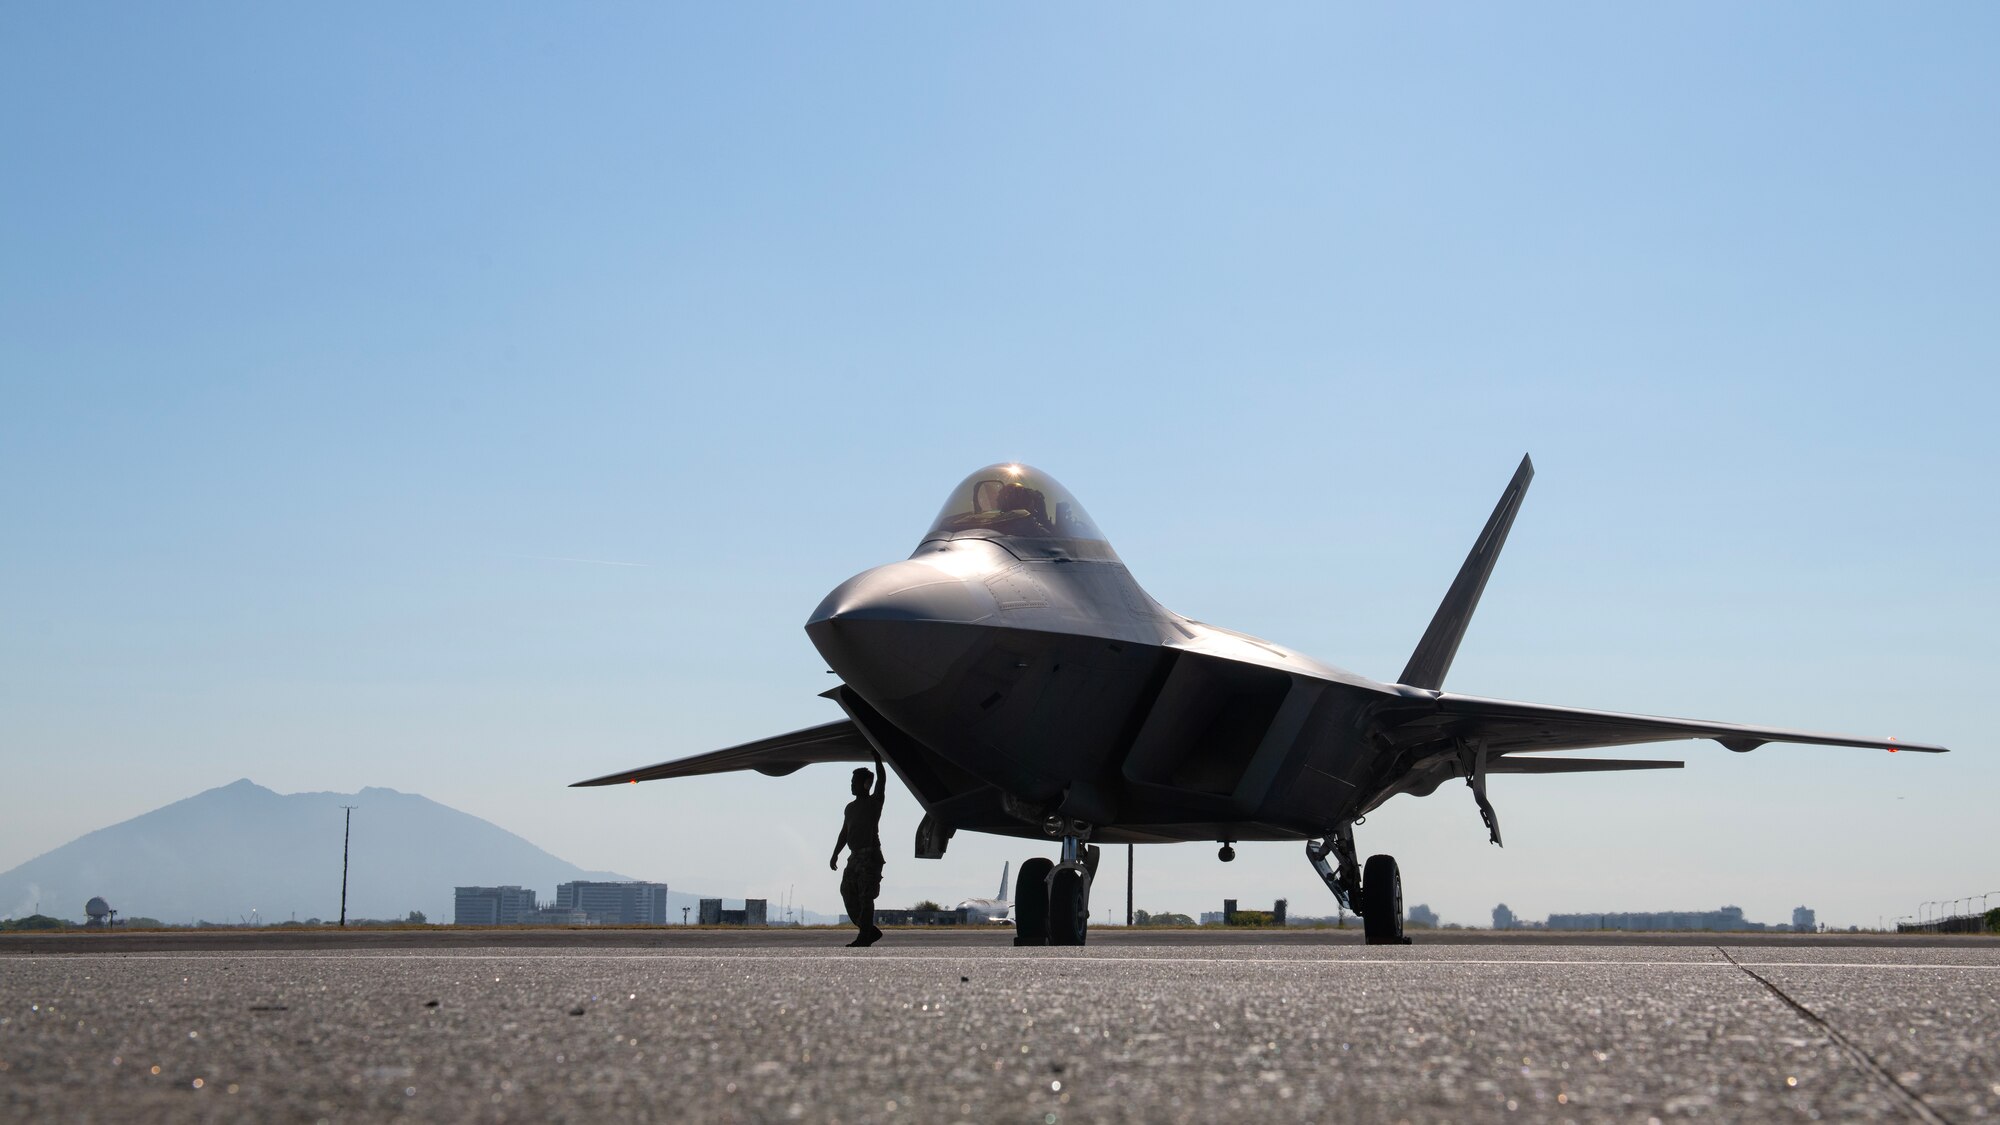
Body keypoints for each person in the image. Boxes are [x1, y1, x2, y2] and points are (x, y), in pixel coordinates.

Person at [830, 749, 886, 946]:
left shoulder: (874, 803)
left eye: (855, 782)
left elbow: (882, 781)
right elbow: (844, 833)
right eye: (851, 782)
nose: (851, 786)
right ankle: (869, 931)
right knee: (847, 891)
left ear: (865, 784)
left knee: (866, 897)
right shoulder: (850, 808)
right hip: (854, 857)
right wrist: (835, 854)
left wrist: (878, 759)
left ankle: (864, 937)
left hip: (870, 856)